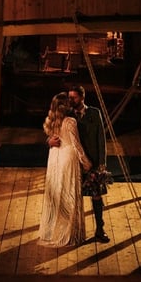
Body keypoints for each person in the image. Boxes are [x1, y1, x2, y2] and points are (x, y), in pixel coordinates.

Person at [50, 85, 111, 243]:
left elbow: (101, 139)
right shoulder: (67, 115)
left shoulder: (94, 113)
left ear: (82, 97)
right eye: (69, 97)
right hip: (73, 163)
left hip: (93, 161)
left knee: (96, 196)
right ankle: (71, 230)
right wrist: (49, 141)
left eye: (74, 97)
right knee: (71, 197)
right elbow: (53, 130)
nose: (70, 100)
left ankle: (100, 229)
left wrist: (102, 163)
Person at [37, 92, 93, 247]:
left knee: (57, 193)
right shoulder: (70, 122)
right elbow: (76, 145)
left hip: (55, 158)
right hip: (68, 158)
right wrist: (86, 163)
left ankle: (53, 230)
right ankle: (69, 233)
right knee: (68, 194)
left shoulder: (51, 121)